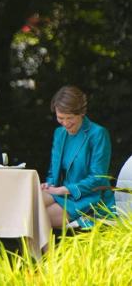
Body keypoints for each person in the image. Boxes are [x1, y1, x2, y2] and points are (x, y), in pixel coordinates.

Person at [41, 86, 115, 228]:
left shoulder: (98, 134)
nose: (66, 123)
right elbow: (53, 171)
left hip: (89, 198)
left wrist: (63, 189)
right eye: (61, 118)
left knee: (35, 219)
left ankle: (45, 251)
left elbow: (98, 178)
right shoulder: (59, 133)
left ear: (81, 113)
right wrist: (49, 184)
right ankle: (42, 251)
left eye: (70, 118)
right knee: (28, 204)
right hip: (61, 193)